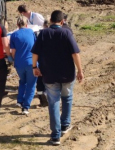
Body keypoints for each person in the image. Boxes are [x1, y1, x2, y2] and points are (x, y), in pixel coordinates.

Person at [31, 10, 84, 146]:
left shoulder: (43, 33)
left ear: (50, 21)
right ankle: (65, 125)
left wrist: (34, 67)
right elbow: (75, 53)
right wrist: (80, 70)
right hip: (67, 74)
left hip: (49, 74)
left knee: (53, 102)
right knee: (67, 98)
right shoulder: (66, 33)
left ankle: (55, 136)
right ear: (62, 21)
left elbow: (35, 53)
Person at [17, 5, 47, 107]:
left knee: (27, 81)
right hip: (33, 40)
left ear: (23, 13)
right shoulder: (27, 21)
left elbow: (44, 27)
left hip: (39, 39)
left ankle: (27, 100)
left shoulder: (36, 17)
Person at [10, 16, 37, 115]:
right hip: (31, 62)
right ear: (26, 24)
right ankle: (26, 107)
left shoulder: (14, 35)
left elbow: (13, 52)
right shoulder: (31, 32)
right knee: (31, 84)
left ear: (17, 25)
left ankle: (19, 100)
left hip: (19, 63)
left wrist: (14, 60)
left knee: (22, 81)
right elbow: (35, 47)